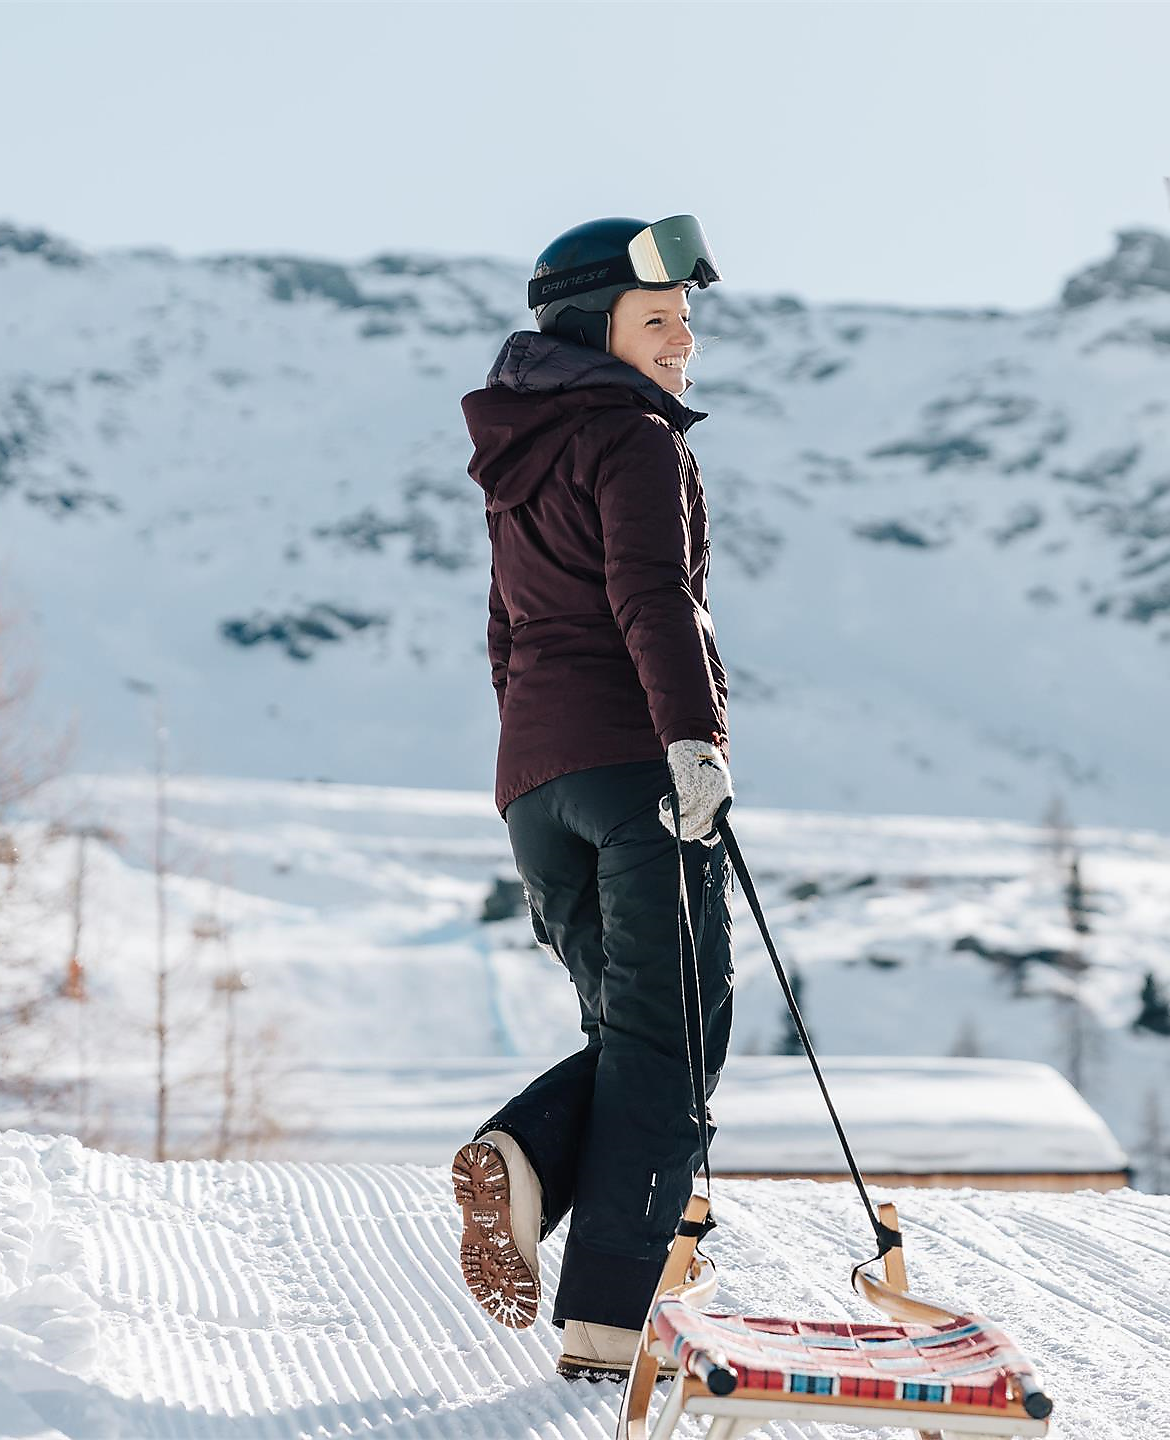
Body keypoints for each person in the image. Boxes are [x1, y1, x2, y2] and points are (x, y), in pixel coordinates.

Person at [450, 215, 736, 1380]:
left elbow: (506, 632)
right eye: (657, 320)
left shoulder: (519, 450)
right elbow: (653, 592)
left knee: (631, 1035)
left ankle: (537, 1192)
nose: (682, 345)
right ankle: (608, 1315)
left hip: (541, 789)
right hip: (636, 774)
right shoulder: (633, 441)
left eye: (685, 324)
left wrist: (534, 771)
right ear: (592, 330)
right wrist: (691, 740)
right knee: (675, 1041)